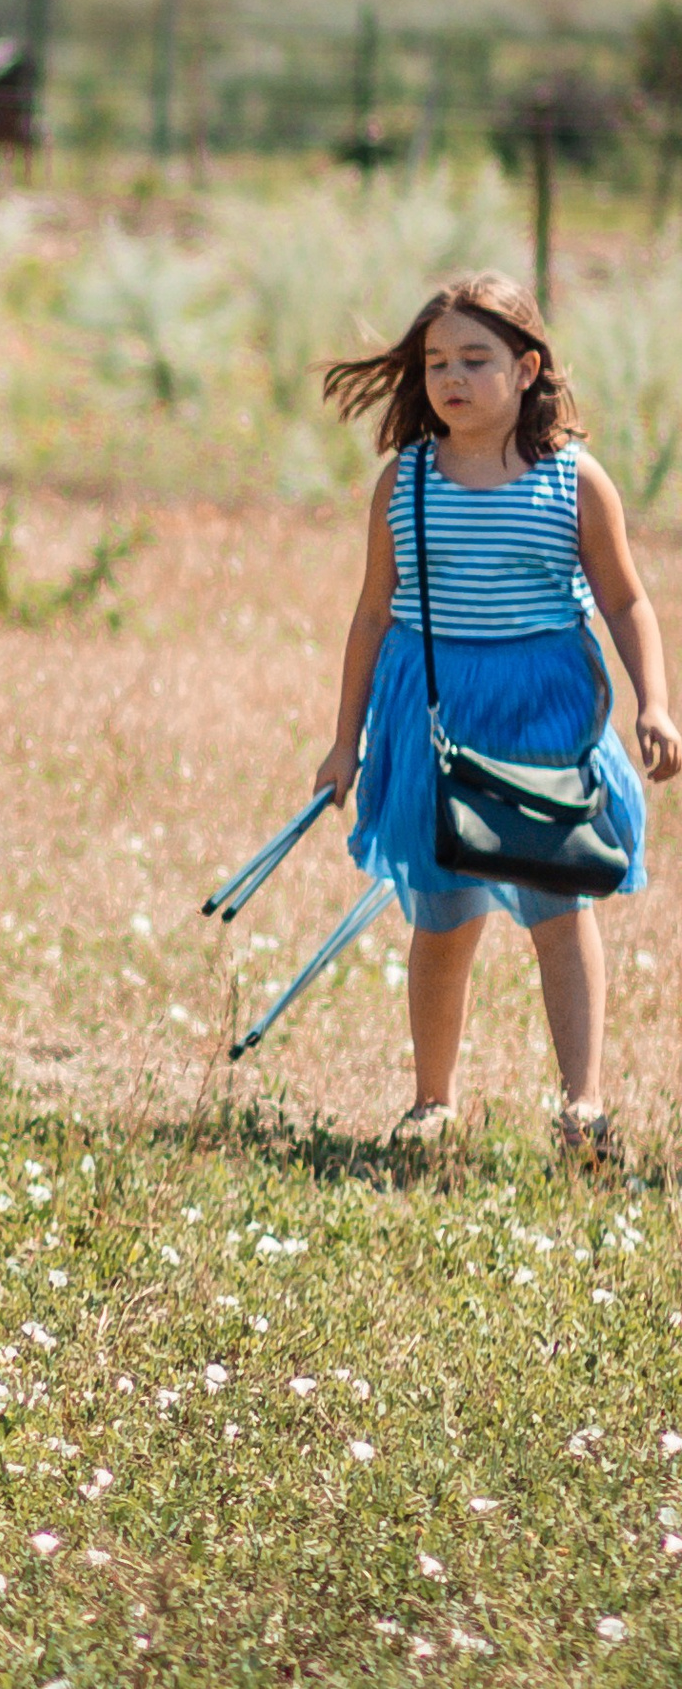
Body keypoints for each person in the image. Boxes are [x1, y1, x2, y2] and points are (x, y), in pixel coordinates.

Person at [314, 273, 674, 1152]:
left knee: (560, 905)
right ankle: (430, 1103)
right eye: (437, 360)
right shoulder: (406, 482)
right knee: (441, 916)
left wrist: (655, 702)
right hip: (432, 707)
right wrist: (343, 742)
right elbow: (372, 612)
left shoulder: (573, 483)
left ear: (527, 369)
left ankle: (581, 1104)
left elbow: (626, 602)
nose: (452, 377)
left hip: (544, 710)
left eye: (476, 358)